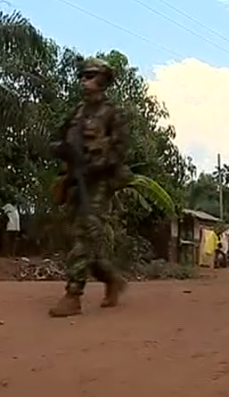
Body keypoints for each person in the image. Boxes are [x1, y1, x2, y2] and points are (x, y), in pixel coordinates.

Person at [47, 57, 129, 318]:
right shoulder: (76, 113)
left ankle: (73, 295)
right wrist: (63, 150)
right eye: (83, 76)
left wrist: (96, 165)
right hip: (75, 179)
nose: (85, 81)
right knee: (79, 238)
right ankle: (111, 278)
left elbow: (119, 151)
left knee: (85, 234)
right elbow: (55, 140)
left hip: (99, 183)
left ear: (103, 81)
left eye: (91, 76)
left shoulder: (112, 113)